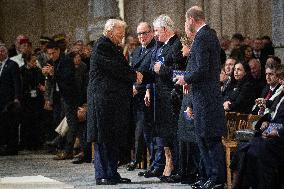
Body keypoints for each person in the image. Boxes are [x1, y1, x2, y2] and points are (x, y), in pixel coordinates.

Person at [87, 19, 143, 185]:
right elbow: (115, 68)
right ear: (110, 31)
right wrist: (134, 76)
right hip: (102, 101)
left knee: (112, 138)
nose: (122, 36)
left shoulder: (112, 46)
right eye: (120, 33)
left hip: (111, 102)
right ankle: (103, 174)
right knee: (103, 139)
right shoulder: (102, 46)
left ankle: (111, 173)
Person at [176, 6, 226, 189]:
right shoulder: (207, 35)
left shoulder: (203, 36)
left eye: (186, 20)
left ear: (191, 19)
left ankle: (217, 179)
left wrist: (185, 78)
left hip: (206, 98)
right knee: (203, 138)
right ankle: (207, 177)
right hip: (202, 97)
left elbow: (203, 68)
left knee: (210, 138)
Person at [126, 22, 156, 171]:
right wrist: (132, 86)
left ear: (151, 33)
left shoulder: (155, 49)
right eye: (139, 34)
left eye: (144, 33)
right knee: (137, 130)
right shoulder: (136, 51)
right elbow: (132, 71)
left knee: (147, 130)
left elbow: (151, 74)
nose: (142, 36)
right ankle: (137, 158)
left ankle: (153, 163)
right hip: (135, 96)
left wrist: (139, 87)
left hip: (148, 95)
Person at [43, 41, 80, 160]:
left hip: (70, 95)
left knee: (71, 122)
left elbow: (67, 78)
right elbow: (53, 80)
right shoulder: (53, 61)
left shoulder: (67, 60)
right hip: (59, 96)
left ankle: (68, 150)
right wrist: (48, 74)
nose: (51, 56)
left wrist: (54, 73)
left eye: (53, 53)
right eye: (49, 54)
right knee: (60, 120)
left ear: (58, 50)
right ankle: (60, 145)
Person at [0, 44, 22, 155]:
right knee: (3, 124)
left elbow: (17, 83)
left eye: (2, 52)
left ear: (6, 53)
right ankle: (4, 145)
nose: (0, 54)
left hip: (9, 100)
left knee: (11, 123)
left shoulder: (12, 65)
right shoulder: (1, 66)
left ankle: (12, 147)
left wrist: (17, 98)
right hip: (1, 100)